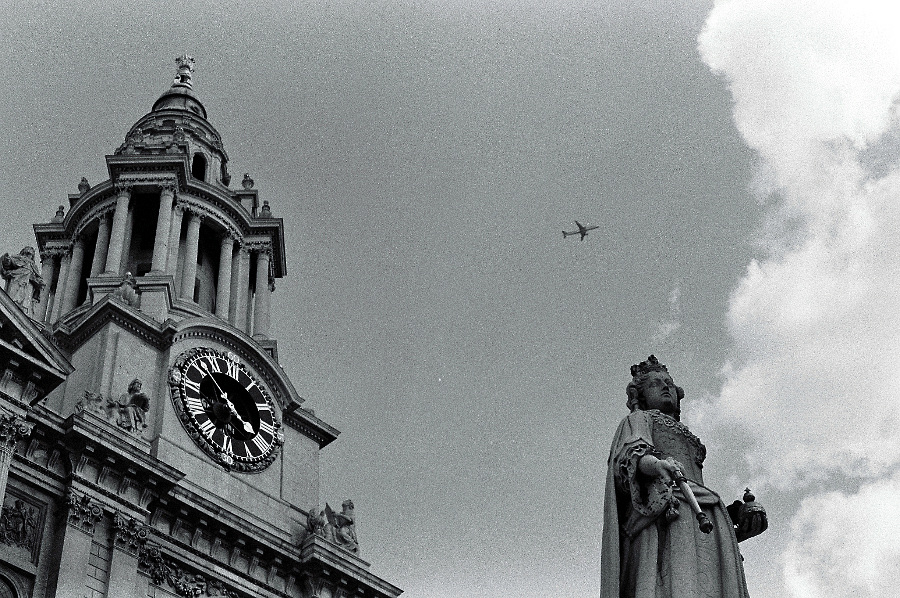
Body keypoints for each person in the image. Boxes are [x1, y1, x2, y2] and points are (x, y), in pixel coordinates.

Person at [600, 356, 766, 598]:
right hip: (666, 509)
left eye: (669, 382)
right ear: (641, 395)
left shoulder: (686, 434)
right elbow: (631, 456)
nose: (666, 386)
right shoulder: (639, 419)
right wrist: (657, 465)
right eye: (656, 384)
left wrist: (737, 525)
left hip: (703, 510)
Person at [0, 246, 43, 316]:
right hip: (17, 278)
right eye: (27, 253)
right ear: (24, 252)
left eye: (31, 254)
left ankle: (24, 311)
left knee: (26, 299)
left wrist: (38, 281)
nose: (29, 256)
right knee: (14, 295)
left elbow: (38, 278)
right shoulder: (18, 258)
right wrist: (7, 260)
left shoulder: (33, 266)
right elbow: (9, 263)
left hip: (29, 283)